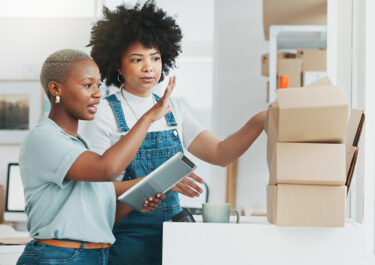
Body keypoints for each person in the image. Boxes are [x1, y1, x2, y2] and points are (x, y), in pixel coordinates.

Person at [79, 1, 266, 264]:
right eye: (137, 59)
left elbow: (221, 153)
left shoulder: (174, 109)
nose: (149, 67)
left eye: (155, 58)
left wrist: (259, 121)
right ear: (117, 66)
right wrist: (158, 181)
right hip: (128, 240)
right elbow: (93, 190)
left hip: (176, 237)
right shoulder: (103, 114)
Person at [16, 48, 178, 265]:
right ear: (56, 88)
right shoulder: (43, 138)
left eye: (98, 85)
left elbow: (102, 214)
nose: (97, 93)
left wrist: (141, 195)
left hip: (94, 256)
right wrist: (148, 117)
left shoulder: (82, 147)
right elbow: (107, 169)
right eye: (87, 85)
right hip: (58, 258)